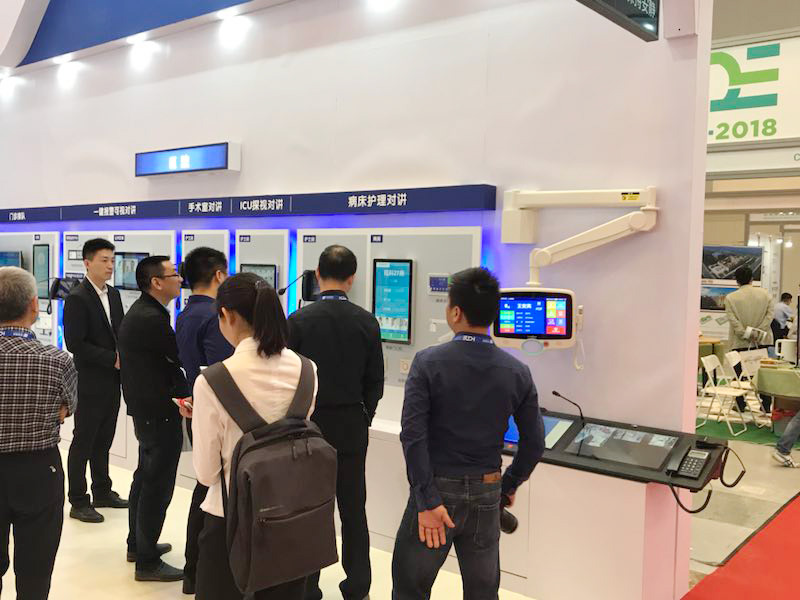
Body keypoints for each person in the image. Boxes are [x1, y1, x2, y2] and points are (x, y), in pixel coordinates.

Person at [391, 267, 545, 600]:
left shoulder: (427, 362)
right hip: (488, 491)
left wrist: (426, 499)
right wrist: (508, 485)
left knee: (409, 588)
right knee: (482, 593)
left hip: (436, 492)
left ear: (456, 312)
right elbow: (534, 443)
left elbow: (413, 436)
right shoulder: (517, 371)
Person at [190, 273, 318, 599]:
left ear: (227, 315)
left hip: (231, 524)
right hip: (293, 518)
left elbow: (206, 473)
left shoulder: (211, 381)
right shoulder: (307, 370)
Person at [287, 245, 384, 600]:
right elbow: (375, 381)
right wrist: (364, 415)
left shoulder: (298, 320)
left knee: (310, 510)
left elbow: (288, 375)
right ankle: (357, 588)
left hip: (308, 428)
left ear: (317, 274)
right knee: (353, 511)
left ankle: (308, 588)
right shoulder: (367, 321)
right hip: (351, 427)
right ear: (352, 278)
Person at [0, 267, 77, 599]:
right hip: (39, 471)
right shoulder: (58, 360)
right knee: (35, 569)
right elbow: (65, 409)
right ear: (34, 305)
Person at [118, 255, 189, 582]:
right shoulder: (151, 319)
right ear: (156, 282)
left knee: (145, 478)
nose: (180, 279)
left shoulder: (145, 312)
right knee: (156, 486)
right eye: (174, 274)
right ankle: (147, 562)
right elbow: (175, 361)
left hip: (147, 411)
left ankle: (138, 545)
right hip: (158, 412)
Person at [175, 247, 234, 595]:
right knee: (211, 493)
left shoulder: (186, 313)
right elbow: (222, 372)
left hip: (195, 409)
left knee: (205, 486)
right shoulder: (214, 316)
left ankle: (193, 570)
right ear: (218, 275)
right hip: (216, 415)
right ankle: (198, 570)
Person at [64, 238, 128, 524]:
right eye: (104, 260)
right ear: (87, 263)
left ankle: (102, 490)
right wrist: (110, 358)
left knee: (104, 438)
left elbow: (119, 332)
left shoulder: (113, 294)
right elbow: (75, 343)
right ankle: (78, 500)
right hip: (89, 379)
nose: (110, 266)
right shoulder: (77, 297)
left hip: (113, 379)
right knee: (84, 441)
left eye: (112, 260)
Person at [724, 266, 774, 413]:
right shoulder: (766, 295)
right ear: (752, 279)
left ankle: (740, 404)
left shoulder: (730, 298)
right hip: (762, 341)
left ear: (736, 281)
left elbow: (733, 321)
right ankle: (766, 404)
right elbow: (769, 316)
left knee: (739, 373)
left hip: (739, 341)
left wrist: (745, 333)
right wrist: (757, 333)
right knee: (762, 374)